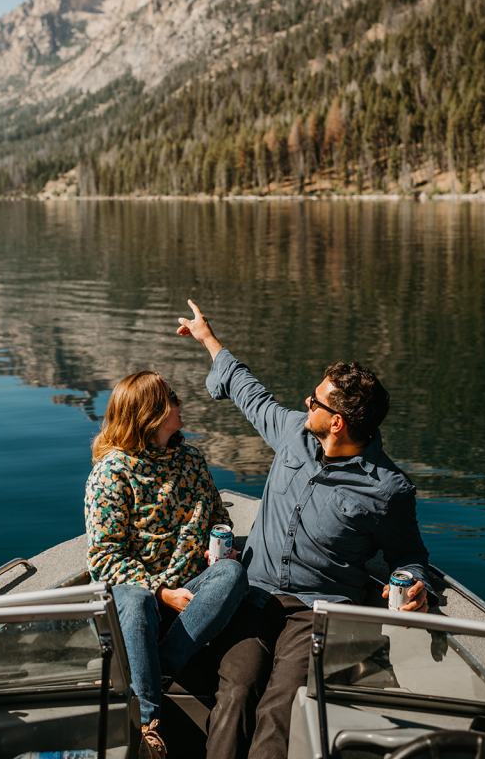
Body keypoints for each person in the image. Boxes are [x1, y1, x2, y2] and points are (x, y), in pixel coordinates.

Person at [177, 300, 434, 759]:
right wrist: (208, 339)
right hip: (253, 595)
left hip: (317, 612)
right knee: (235, 691)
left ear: (336, 422)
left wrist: (416, 585)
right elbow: (249, 391)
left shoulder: (389, 490)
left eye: (315, 400)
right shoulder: (294, 432)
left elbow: (410, 556)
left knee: (280, 709)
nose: (305, 403)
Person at [85, 370, 248, 759]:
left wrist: (216, 546)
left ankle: (158, 667)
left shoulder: (190, 460)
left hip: (188, 589)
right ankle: (149, 724)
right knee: (137, 601)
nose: (179, 403)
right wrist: (161, 592)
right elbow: (104, 557)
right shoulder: (112, 473)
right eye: (171, 397)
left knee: (232, 573)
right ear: (150, 413)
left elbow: (218, 516)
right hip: (134, 594)